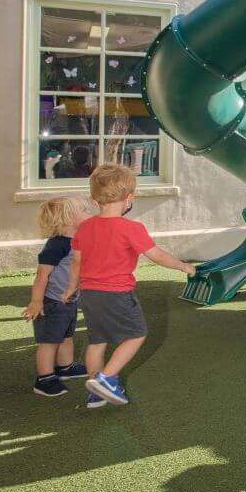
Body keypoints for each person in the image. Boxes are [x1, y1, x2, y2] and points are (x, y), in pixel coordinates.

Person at [63, 164, 196, 408]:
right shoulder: (131, 228)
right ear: (129, 198)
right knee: (136, 335)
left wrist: (71, 288)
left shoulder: (85, 228)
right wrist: (183, 266)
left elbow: (76, 263)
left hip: (89, 294)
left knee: (97, 341)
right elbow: (157, 256)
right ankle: (106, 378)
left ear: (94, 200)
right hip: (116, 294)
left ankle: (96, 393)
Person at [20, 197, 91, 397]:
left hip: (69, 300)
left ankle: (65, 367)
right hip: (52, 303)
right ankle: (44, 379)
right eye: (84, 210)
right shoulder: (57, 245)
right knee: (50, 341)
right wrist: (36, 301)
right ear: (68, 219)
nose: (89, 213)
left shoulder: (77, 241)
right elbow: (41, 275)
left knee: (66, 336)